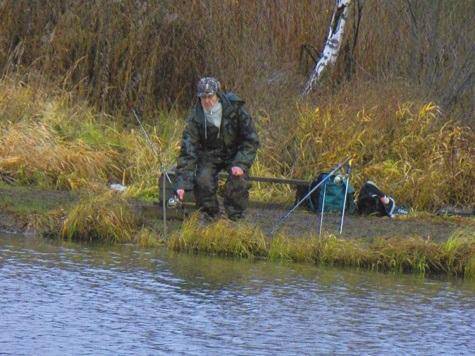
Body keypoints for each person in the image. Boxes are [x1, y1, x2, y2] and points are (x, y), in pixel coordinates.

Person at [174, 77, 259, 221]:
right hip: (210, 154)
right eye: (203, 97)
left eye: (210, 96)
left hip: (235, 153)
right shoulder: (195, 118)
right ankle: (210, 215)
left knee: (239, 179)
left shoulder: (235, 108)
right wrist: (182, 184)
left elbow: (251, 140)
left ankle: (235, 216)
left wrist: (240, 163)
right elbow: (188, 151)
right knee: (203, 180)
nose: (207, 101)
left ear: (217, 95)